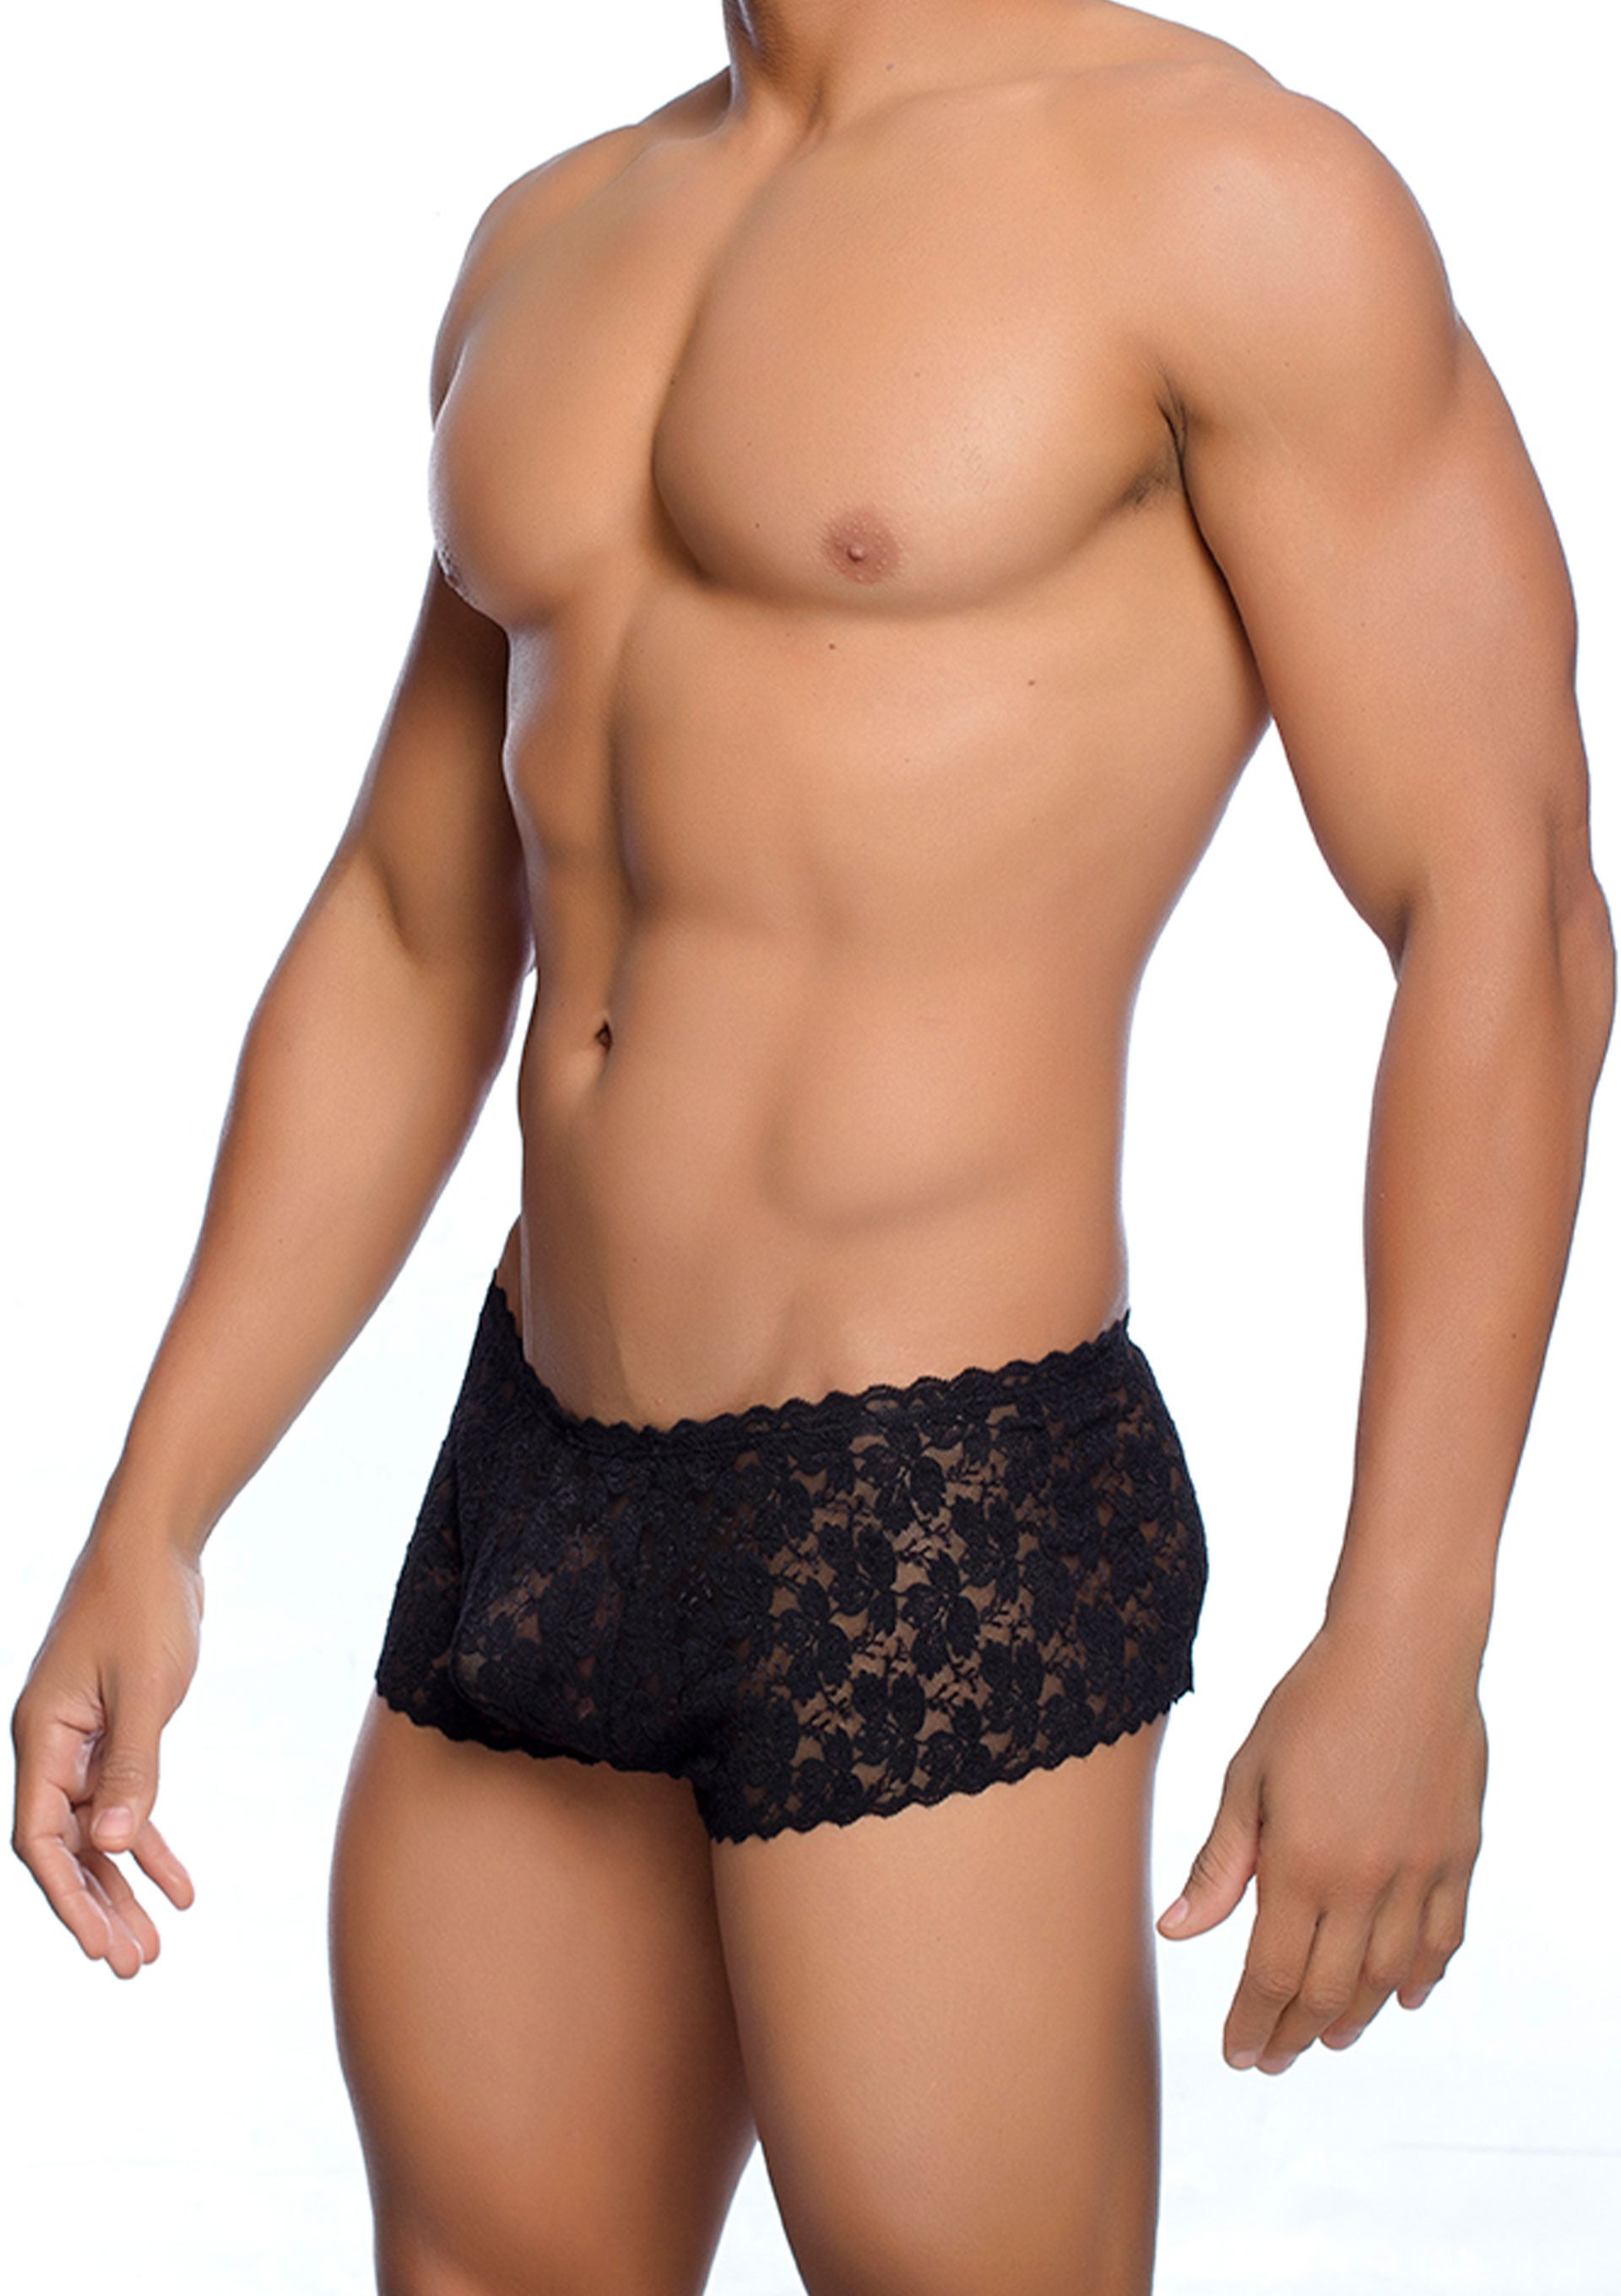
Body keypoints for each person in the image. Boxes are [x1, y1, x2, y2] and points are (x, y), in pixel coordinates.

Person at [11, 1, 1614, 2290]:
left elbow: (1505, 907)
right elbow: (414, 919)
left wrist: (1414, 1628)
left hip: (932, 1495)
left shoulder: (1225, 198)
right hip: (536, 1480)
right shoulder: (556, 233)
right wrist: (155, 1507)